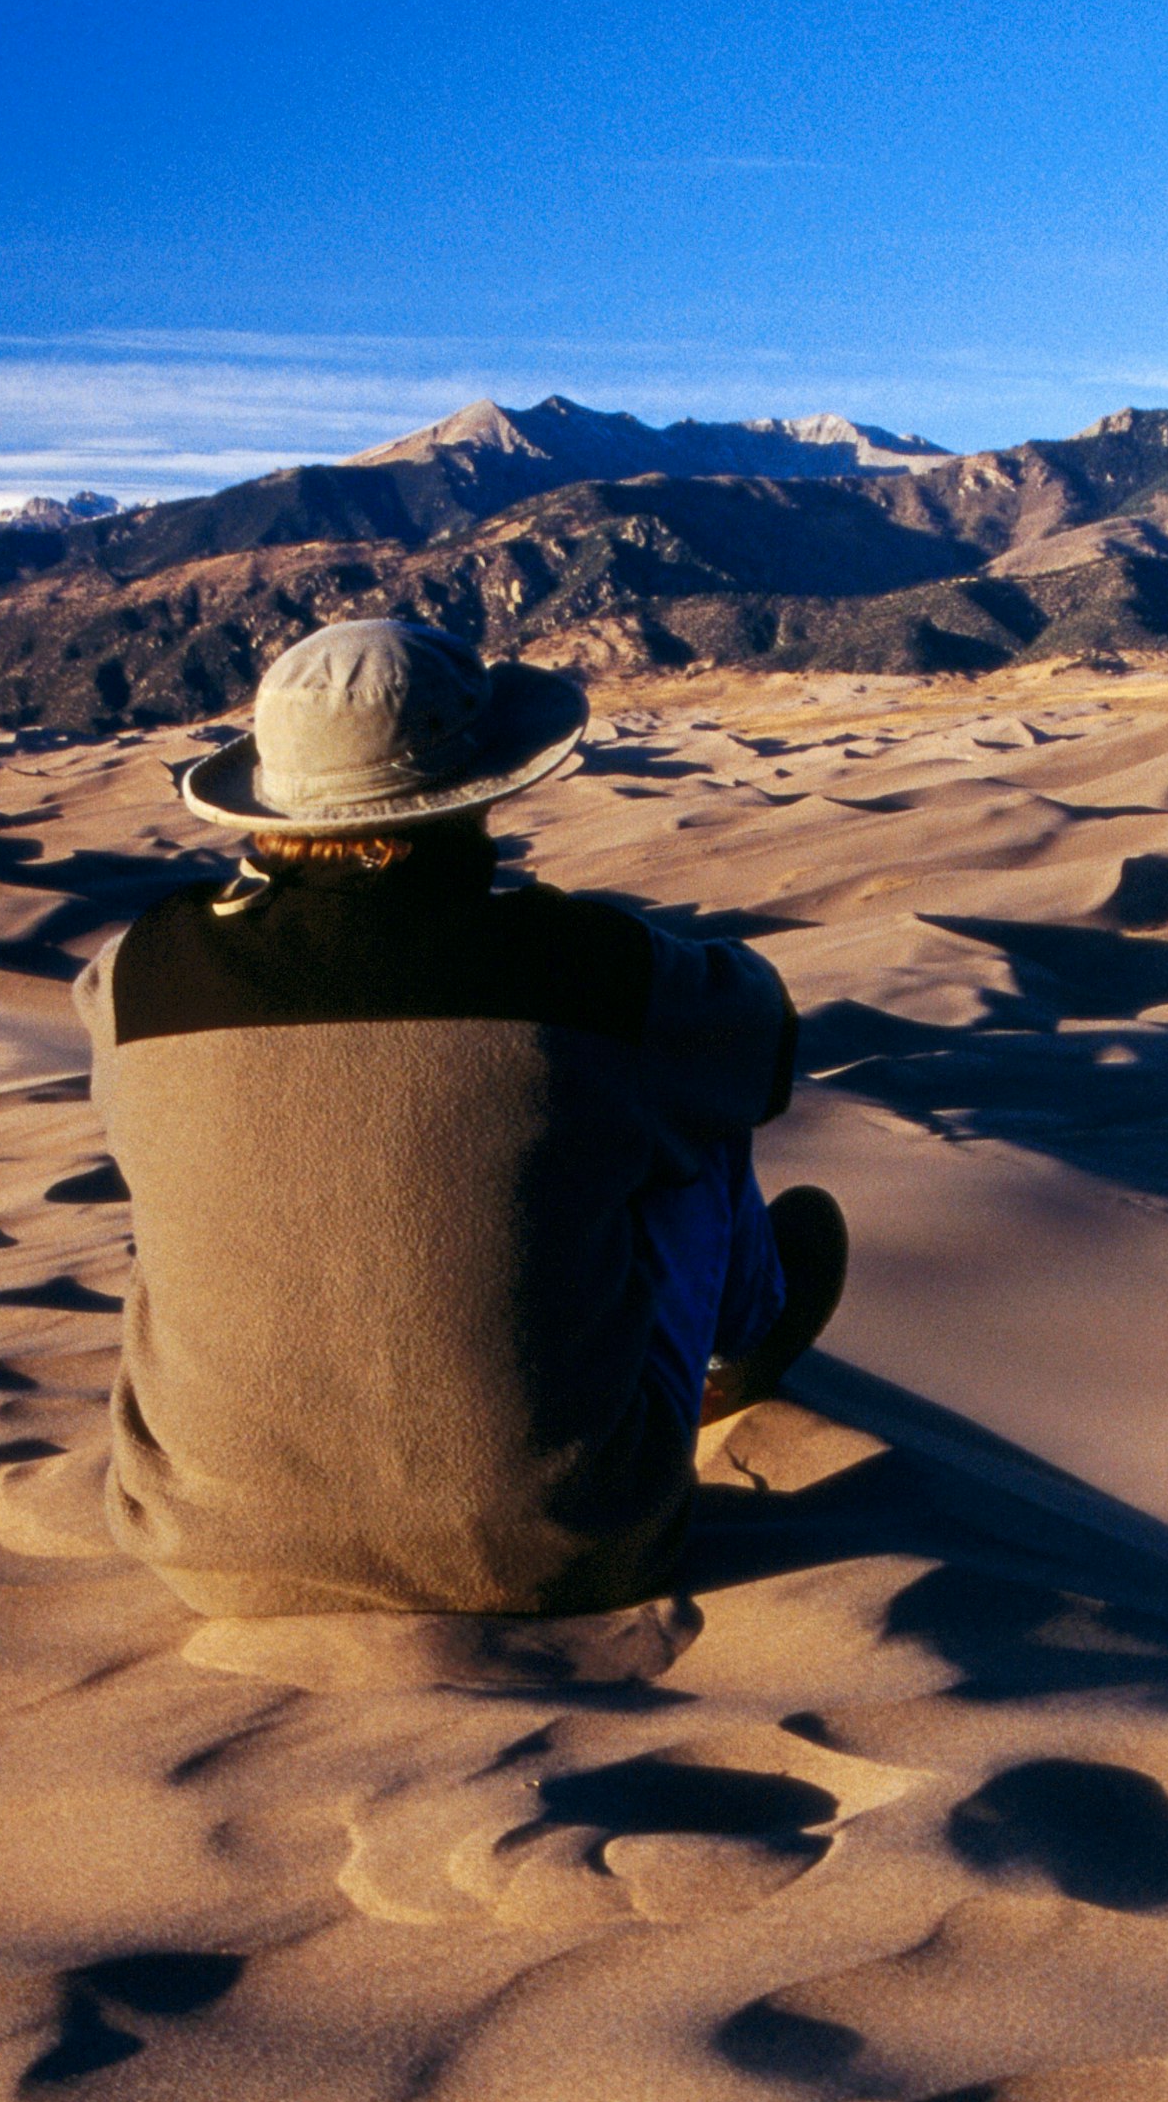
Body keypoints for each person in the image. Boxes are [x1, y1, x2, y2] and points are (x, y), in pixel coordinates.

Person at [70, 619, 842, 1670]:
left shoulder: (133, 973)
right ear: (480, 789)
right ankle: (740, 1344)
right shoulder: (590, 966)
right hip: (573, 1544)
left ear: (268, 801)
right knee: (687, 1100)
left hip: (207, 1552)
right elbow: (761, 1045)